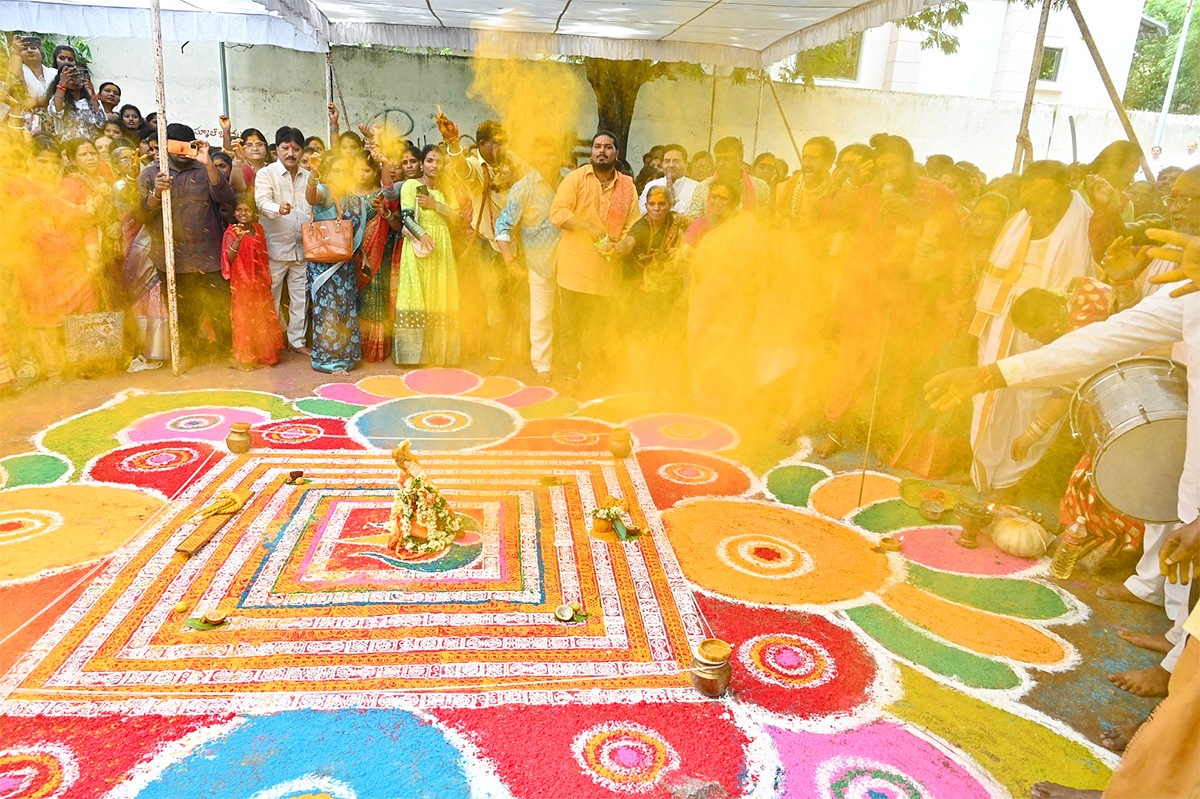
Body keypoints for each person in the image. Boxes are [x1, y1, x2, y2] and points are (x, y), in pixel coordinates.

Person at [927, 229, 1199, 799]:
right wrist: (990, 374)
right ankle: (1167, 719)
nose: (1184, 240)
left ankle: (1163, 754)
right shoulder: (1187, 294)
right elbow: (1102, 341)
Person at [967, 160, 1101, 495]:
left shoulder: (1085, 222)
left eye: (1039, 191)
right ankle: (982, 469)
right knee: (991, 393)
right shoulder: (1017, 221)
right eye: (1025, 190)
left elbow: (1096, 270)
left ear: (1065, 187)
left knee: (1033, 397)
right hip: (1002, 318)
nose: (1029, 199)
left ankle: (1010, 480)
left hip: (1050, 323)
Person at [136, 123, 234, 366]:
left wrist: (209, 163)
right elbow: (139, 215)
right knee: (182, 314)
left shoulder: (204, 170)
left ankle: (226, 354)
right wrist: (156, 195)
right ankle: (188, 355)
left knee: (220, 310)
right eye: (175, 145)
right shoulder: (151, 174)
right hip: (171, 258)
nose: (181, 151)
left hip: (208, 256)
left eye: (186, 146)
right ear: (164, 145)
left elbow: (227, 198)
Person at [550, 130, 640, 388]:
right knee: (570, 329)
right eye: (597, 146)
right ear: (591, 152)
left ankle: (592, 377)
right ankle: (569, 376)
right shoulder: (575, 179)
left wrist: (621, 245)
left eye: (608, 147)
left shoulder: (627, 186)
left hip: (607, 274)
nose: (602, 151)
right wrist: (587, 227)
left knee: (599, 330)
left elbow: (632, 225)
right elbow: (557, 213)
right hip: (573, 272)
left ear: (616, 153)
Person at [441, 116, 530, 369]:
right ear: (482, 145)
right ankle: (497, 353)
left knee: (519, 299)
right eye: (497, 143)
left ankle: (518, 350)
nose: (503, 148)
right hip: (488, 245)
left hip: (518, 244)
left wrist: (515, 177)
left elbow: (533, 180)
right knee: (494, 299)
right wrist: (453, 144)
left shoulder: (512, 159)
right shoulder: (474, 166)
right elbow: (460, 168)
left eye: (505, 142)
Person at [496, 135, 566, 385]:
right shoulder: (523, 188)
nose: (547, 159)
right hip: (539, 262)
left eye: (552, 154)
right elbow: (502, 226)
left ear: (561, 157)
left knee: (574, 315)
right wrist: (510, 261)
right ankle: (543, 366)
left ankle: (574, 363)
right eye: (542, 155)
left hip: (573, 262)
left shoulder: (574, 180)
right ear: (534, 159)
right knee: (541, 316)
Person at [389, 144, 461, 366]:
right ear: (422, 163)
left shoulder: (447, 189)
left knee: (441, 294)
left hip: (442, 247)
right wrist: (422, 235)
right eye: (430, 160)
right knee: (415, 295)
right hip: (419, 247)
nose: (434, 165)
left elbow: (456, 218)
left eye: (438, 161)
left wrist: (435, 205)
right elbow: (406, 218)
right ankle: (413, 357)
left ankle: (442, 355)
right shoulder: (411, 185)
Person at [303, 154, 369, 374]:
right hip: (324, 267)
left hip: (346, 266)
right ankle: (328, 360)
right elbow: (311, 198)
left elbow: (355, 233)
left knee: (346, 309)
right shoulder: (325, 193)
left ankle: (347, 356)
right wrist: (313, 174)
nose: (341, 176)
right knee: (328, 311)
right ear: (329, 174)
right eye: (336, 171)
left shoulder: (356, 200)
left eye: (345, 171)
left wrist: (362, 254)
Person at [254, 126, 311, 355]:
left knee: (300, 298)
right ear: (276, 149)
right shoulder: (266, 174)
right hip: (275, 247)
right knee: (272, 297)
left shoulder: (309, 177)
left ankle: (296, 342)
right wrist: (278, 208)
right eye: (285, 148)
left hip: (302, 247)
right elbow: (261, 202)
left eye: (296, 149)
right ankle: (271, 343)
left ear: (302, 151)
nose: (291, 153)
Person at [222, 195, 284, 369]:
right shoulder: (231, 233)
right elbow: (230, 258)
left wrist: (266, 277)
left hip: (259, 282)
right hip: (242, 284)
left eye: (247, 210)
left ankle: (264, 355)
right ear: (234, 213)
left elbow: (263, 254)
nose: (243, 213)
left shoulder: (258, 229)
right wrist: (239, 240)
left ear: (253, 212)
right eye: (239, 210)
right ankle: (245, 358)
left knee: (261, 316)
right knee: (244, 318)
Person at [688, 137, 770, 218]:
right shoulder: (703, 187)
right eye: (718, 159)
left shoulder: (760, 187)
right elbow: (694, 225)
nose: (721, 164)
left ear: (740, 158)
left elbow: (764, 223)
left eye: (727, 159)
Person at [638, 145, 697, 217]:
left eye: (676, 161)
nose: (671, 165)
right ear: (662, 164)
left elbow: (694, 217)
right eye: (667, 161)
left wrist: (674, 200)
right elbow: (641, 213)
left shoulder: (695, 187)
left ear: (685, 165)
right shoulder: (651, 185)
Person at [232, 127, 269, 193]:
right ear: (242, 148)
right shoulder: (241, 169)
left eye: (259, 144)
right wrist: (238, 159)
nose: (255, 148)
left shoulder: (272, 167)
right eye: (249, 145)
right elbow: (237, 188)